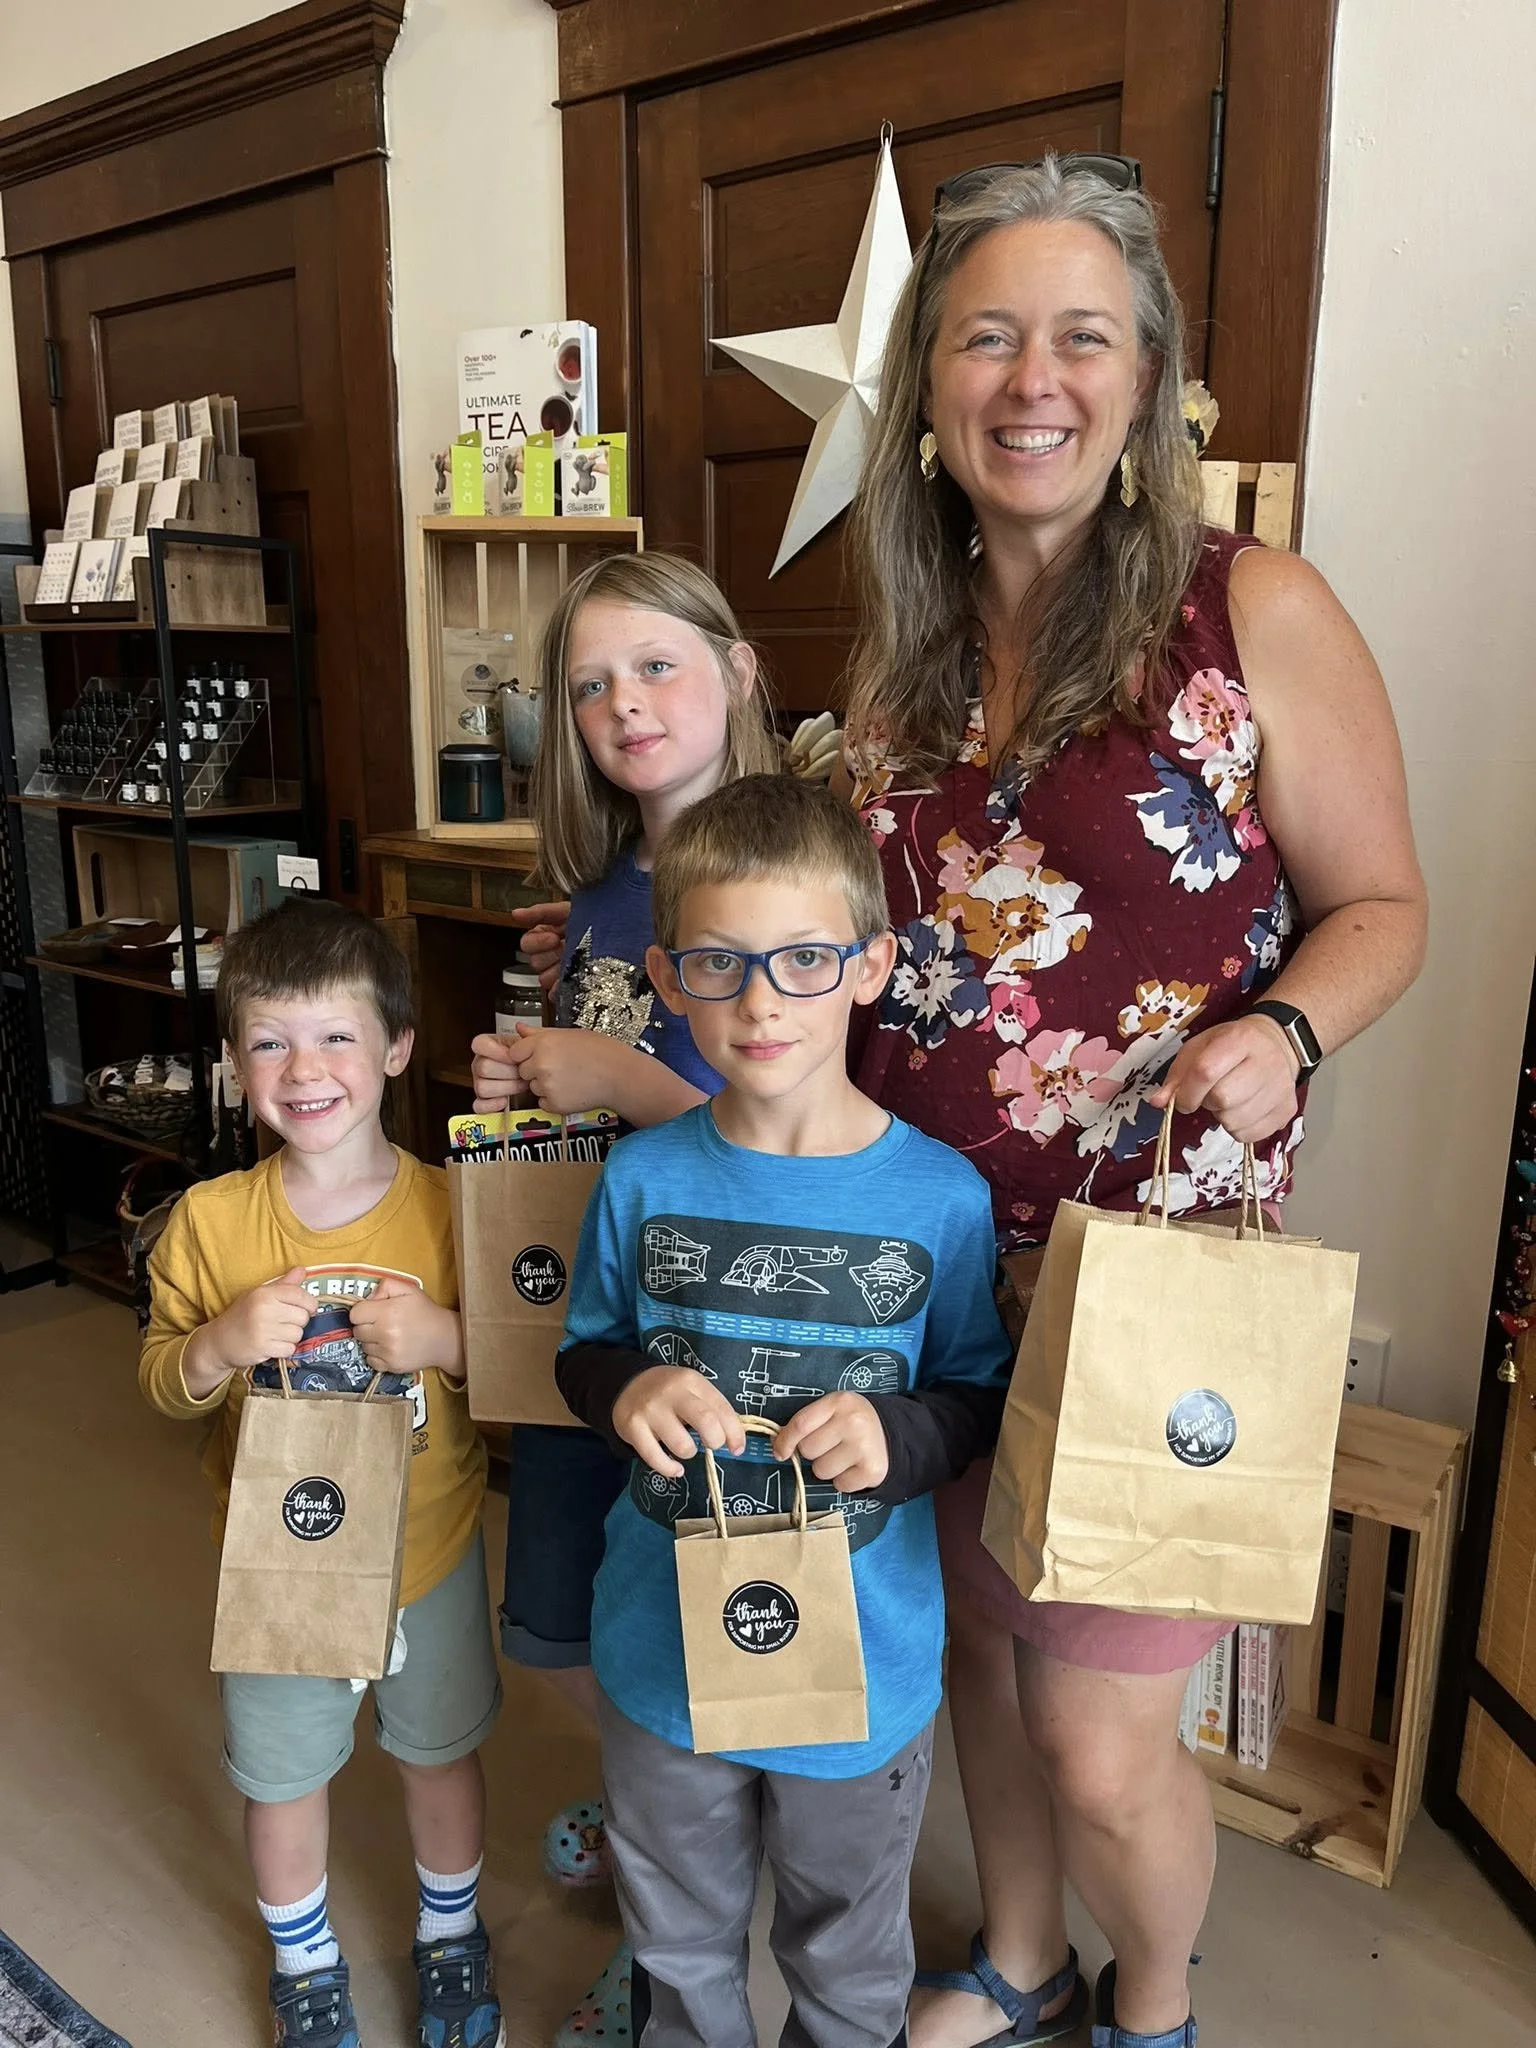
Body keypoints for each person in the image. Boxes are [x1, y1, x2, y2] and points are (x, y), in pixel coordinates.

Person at [839, 154, 1427, 2048]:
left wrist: (1293, 1034)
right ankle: (1016, 1959)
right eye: (986, 335)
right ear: (926, 387)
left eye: (1081, 334)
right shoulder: (896, 654)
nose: (1033, 377)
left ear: (1150, 375)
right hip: (919, 1259)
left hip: (1149, 1269)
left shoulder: (1248, 607)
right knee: (986, 1673)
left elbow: (1386, 907)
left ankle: (1151, 2001)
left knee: (1099, 1729)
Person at [553, 773, 1012, 2048]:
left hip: (861, 1675)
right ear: (667, 974)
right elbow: (586, 1350)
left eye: (805, 958)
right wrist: (627, 1386)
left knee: (851, 1959)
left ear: (868, 967)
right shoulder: (640, 1174)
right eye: (719, 961)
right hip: (661, 1657)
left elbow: (975, 1392)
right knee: (679, 1942)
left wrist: (897, 1434)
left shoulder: (940, 1196)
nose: (762, 999)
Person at [467, 553, 779, 2042]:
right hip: (586, 1318)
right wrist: (528, 1080)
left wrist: (626, 1082)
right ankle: (649, 1816)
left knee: (694, 1626)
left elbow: (784, 1128)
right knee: (580, 1627)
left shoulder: (784, 876)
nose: (622, 704)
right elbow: (588, 1084)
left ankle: (682, 1926)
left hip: (713, 1333)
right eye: (589, 684)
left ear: (734, 668)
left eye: (654, 665)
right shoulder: (597, 897)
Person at [140, 896, 504, 2048]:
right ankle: (303, 1961)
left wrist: (448, 1338)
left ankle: (452, 1935)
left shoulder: (453, 1209)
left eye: (336, 1035)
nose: (305, 1069)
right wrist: (216, 1342)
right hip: (279, 1569)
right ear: (236, 1060)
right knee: (280, 1774)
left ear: (396, 1047)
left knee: (439, 1755)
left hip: (427, 1548)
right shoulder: (206, 1223)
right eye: (269, 1040)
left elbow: (525, 1365)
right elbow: (159, 1379)